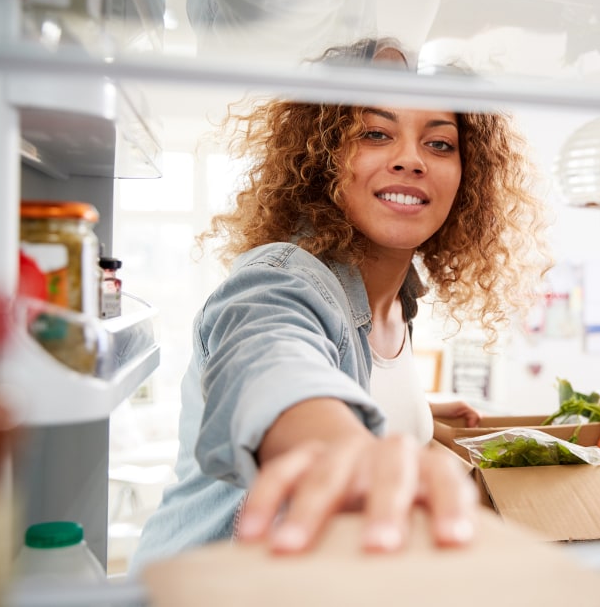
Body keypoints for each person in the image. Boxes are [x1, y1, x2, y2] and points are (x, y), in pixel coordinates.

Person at [129, 37, 551, 572]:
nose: (411, 160)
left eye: (440, 144)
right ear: (324, 157)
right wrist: (340, 448)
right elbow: (273, 362)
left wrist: (421, 418)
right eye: (376, 134)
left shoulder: (400, 297)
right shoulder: (281, 280)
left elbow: (354, 379)